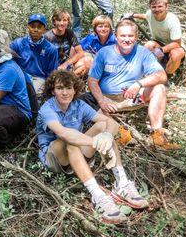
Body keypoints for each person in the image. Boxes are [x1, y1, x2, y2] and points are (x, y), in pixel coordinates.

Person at [37, 70, 148, 224]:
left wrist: (107, 136)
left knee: (104, 126)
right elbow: (63, 133)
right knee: (70, 141)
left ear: (75, 89)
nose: (65, 92)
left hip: (76, 155)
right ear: (53, 91)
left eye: (69, 88)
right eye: (60, 88)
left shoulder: (78, 105)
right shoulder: (47, 109)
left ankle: (121, 183)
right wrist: (96, 142)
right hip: (55, 157)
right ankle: (98, 196)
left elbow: (111, 123)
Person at [87, 19, 179, 150]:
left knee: (159, 88)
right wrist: (101, 101)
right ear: (115, 36)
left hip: (132, 98)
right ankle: (120, 133)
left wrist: (138, 84)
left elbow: (161, 75)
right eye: (122, 36)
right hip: (107, 100)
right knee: (86, 105)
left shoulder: (143, 53)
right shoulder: (104, 53)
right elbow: (92, 81)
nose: (126, 39)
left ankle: (157, 136)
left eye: (130, 36)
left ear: (136, 37)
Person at [125, 0, 185, 75]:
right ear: (150, 7)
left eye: (160, 6)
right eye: (154, 7)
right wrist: (132, 15)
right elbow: (145, 16)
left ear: (166, 6)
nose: (157, 10)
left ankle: (167, 74)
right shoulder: (150, 14)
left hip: (175, 46)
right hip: (159, 44)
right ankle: (160, 65)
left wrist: (161, 50)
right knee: (149, 45)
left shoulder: (172, 20)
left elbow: (177, 44)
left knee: (175, 54)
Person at [10, 14, 59, 95]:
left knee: (30, 92)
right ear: (28, 27)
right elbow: (8, 62)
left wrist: (48, 89)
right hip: (20, 76)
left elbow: (52, 73)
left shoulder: (51, 49)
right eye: (33, 26)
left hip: (38, 79)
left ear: (44, 29)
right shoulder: (17, 44)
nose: (35, 30)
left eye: (39, 27)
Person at [44, 10, 91, 76]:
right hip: (52, 68)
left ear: (68, 22)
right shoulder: (47, 36)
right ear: (54, 21)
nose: (62, 23)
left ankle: (70, 79)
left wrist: (66, 64)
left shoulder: (70, 33)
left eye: (64, 20)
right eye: (59, 20)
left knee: (87, 63)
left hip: (66, 66)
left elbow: (80, 52)